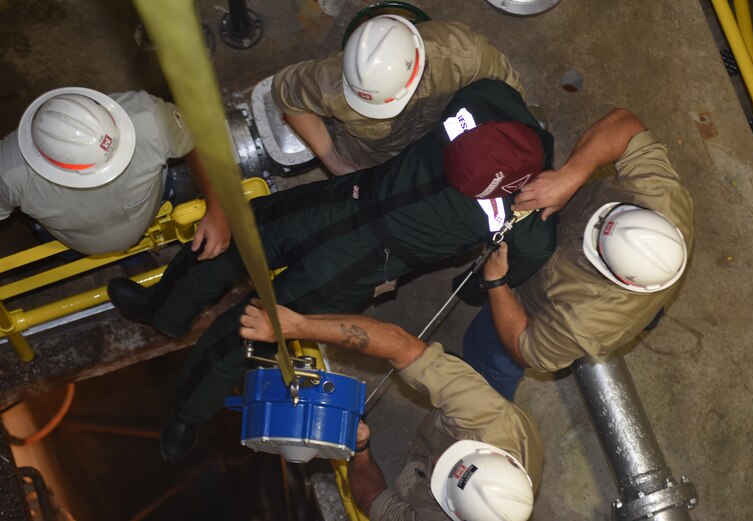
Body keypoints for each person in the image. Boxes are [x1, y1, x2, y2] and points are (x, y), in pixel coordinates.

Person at [107, 79, 565, 462]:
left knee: (248, 330)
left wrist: (474, 286)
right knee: (225, 243)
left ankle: (189, 411)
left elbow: (505, 270)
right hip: (343, 199)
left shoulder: (531, 222)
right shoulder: (485, 102)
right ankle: (160, 309)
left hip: (365, 263)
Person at [462, 108, 694, 400]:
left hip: (528, 305)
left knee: (492, 355)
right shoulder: (662, 197)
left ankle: (477, 394)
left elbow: (525, 348)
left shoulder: (586, 320)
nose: (591, 225)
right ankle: (648, 314)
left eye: (595, 237)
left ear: (612, 274)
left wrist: (496, 282)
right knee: (648, 312)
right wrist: (570, 176)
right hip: (636, 290)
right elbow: (625, 124)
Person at [239, 300, 542, 521]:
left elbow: (373, 501)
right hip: (489, 414)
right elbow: (401, 346)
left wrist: (361, 450)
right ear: (493, 455)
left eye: (442, 471)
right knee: (477, 366)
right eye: (456, 456)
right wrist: (297, 325)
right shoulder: (487, 418)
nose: (437, 458)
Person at [272, 15, 525, 175]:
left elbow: (509, 90)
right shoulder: (330, 82)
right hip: (373, 162)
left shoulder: (463, 55)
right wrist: (334, 162)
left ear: (420, 68)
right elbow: (285, 93)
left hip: (442, 139)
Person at [0, 87, 230, 258]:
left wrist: (218, 207)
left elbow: (198, 139)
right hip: (76, 244)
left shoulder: (150, 117)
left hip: (153, 205)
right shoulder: (8, 174)